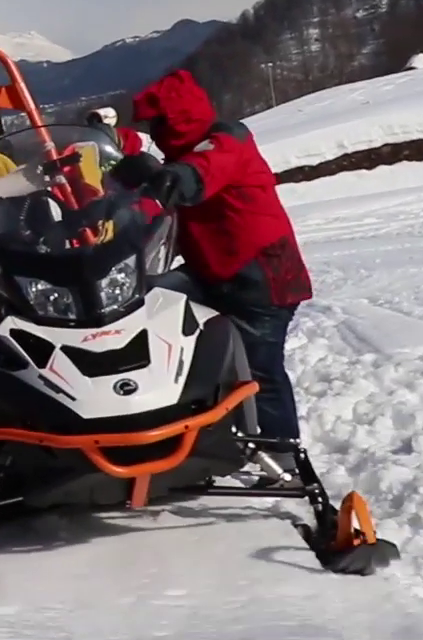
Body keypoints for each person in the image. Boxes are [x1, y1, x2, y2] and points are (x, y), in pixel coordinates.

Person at [125, 69, 313, 484]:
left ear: (177, 120)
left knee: (259, 369)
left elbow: (203, 170)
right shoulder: (184, 154)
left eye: (158, 125)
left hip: (262, 278)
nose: (154, 135)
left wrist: (170, 178)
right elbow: (161, 202)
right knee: (141, 303)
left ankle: (285, 463)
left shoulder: (228, 138)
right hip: (214, 274)